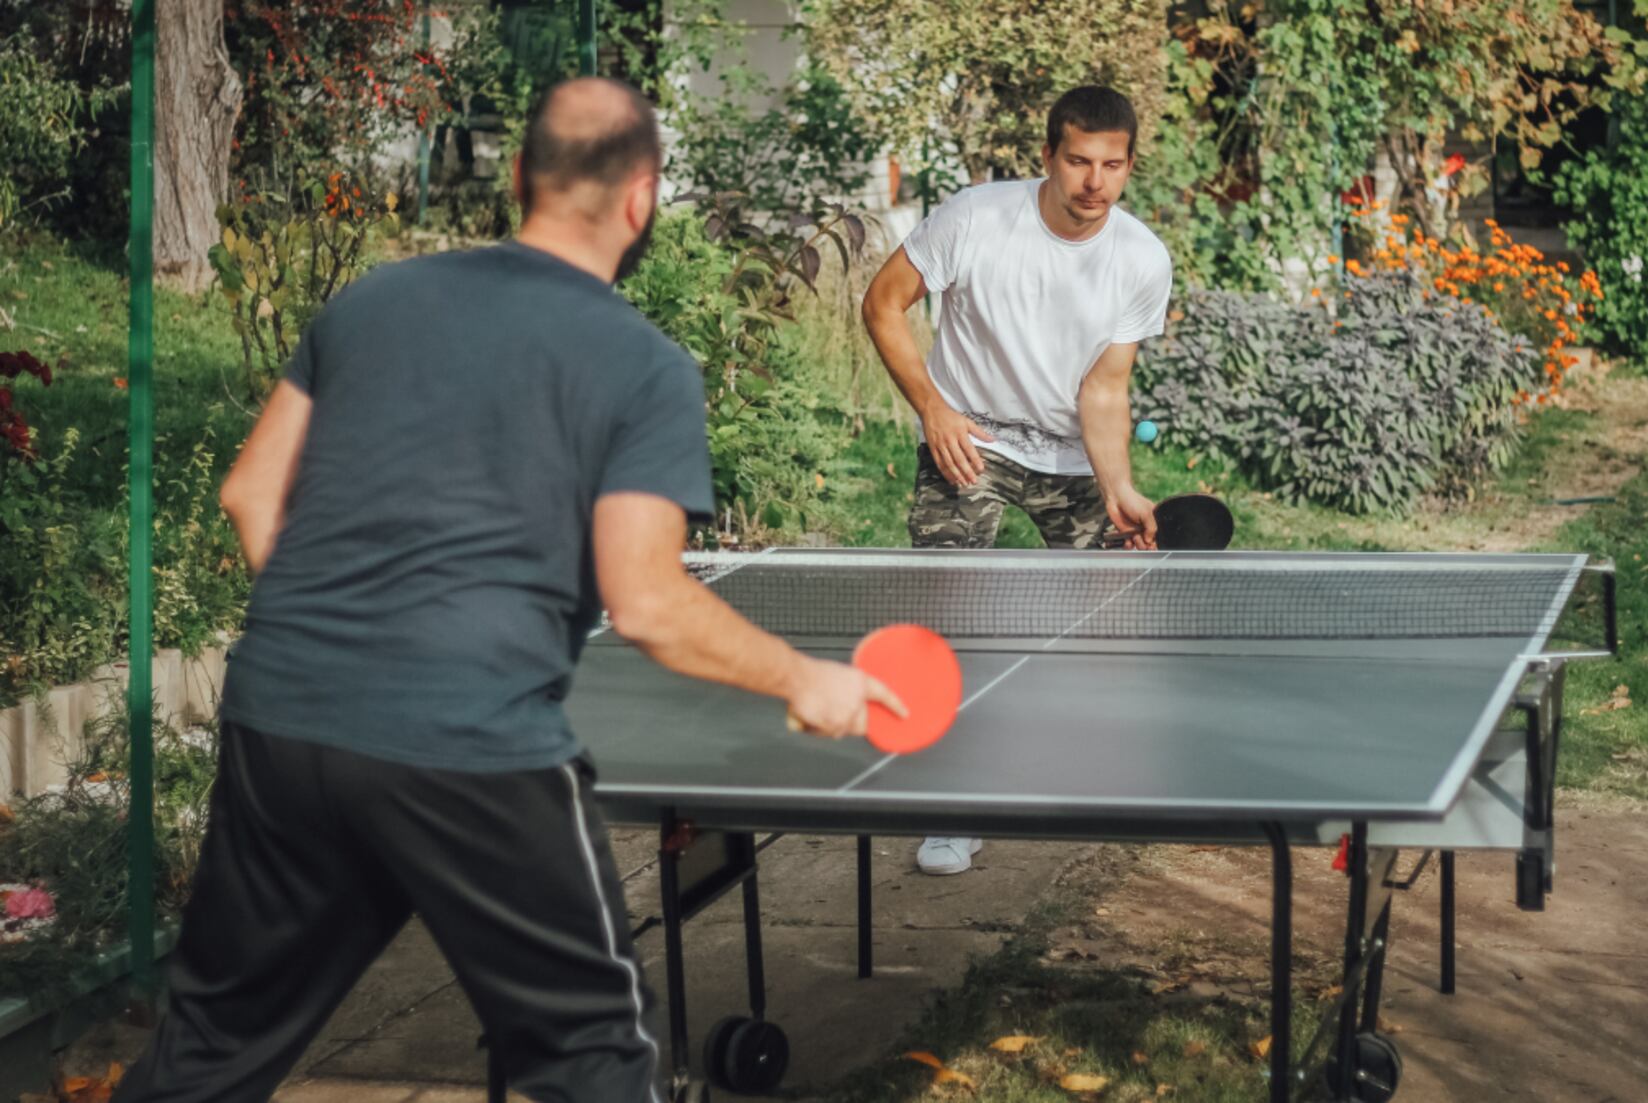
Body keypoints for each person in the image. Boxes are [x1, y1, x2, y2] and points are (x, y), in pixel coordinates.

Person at [112, 77, 898, 1103]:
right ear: (641, 198)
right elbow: (648, 601)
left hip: (283, 721)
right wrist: (805, 677)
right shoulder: (643, 364)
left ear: (521, 176)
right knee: (596, 1060)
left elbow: (251, 491)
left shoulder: (373, 299)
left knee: (210, 1048)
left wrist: (346, 633)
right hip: (471, 746)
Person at [860, 85, 1175, 877]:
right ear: (1048, 157)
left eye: (1111, 165)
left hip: (1071, 454)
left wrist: (1118, 487)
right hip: (973, 439)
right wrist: (932, 407)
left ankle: (1080, 767)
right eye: (1078, 162)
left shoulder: (1141, 257)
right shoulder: (975, 218)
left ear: (1131, 165)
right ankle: (954, 807)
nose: (1093, 182)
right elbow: (883, 304)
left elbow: (1104, 389)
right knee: (953, 623)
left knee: (1114, 625)